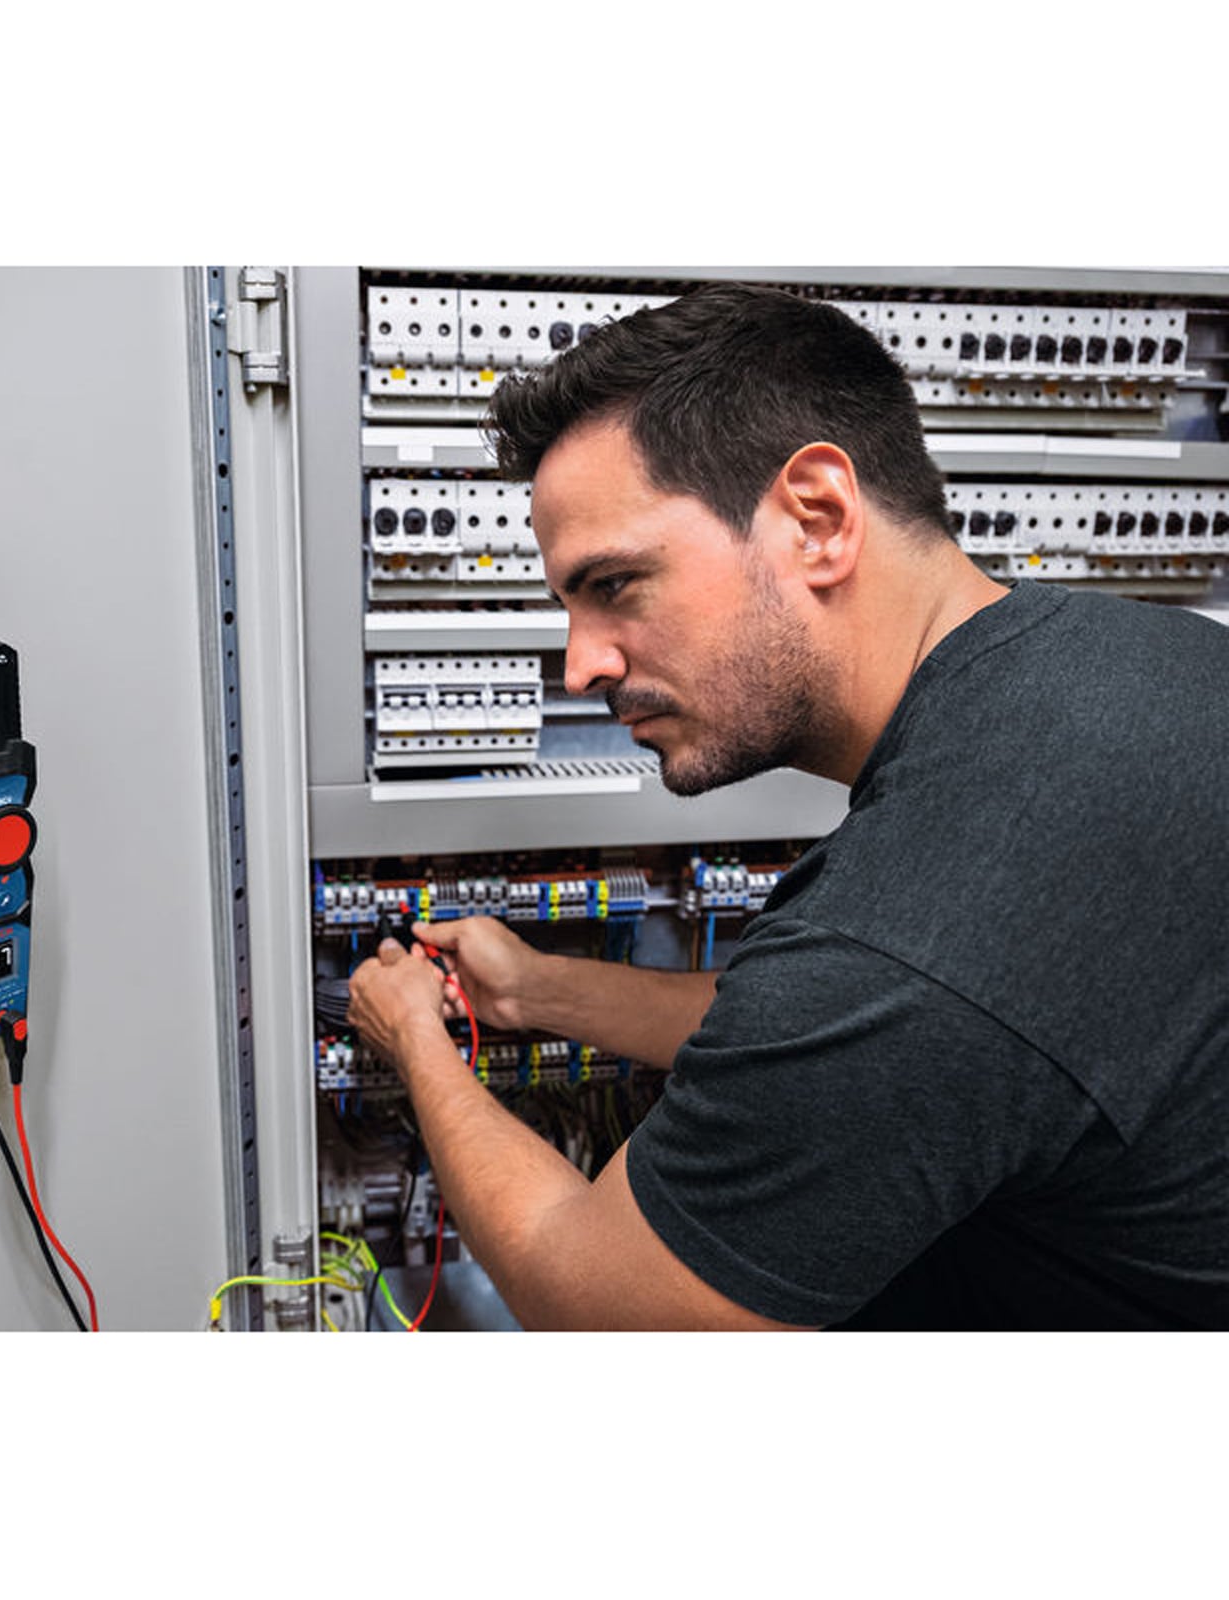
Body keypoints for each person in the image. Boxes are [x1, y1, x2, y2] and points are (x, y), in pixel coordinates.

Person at [346, 282, 1229, 1330]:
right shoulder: (1146, 665)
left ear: (817, 520)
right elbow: (848, 1035)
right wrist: (542, 991)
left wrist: (415, 1038)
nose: (581, 666)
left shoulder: (911, 936)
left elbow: (597, 1307)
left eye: (614, 585)